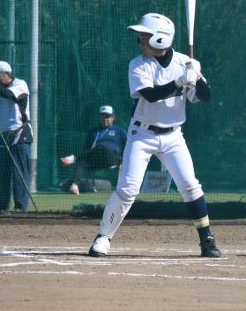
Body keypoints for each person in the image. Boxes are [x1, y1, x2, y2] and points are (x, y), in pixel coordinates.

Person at [88, 13, 221, 258]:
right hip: (141, 134)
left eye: (145, 36)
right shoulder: (138, 64)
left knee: (190, 186)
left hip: (173, 136)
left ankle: (207, 239)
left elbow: (206, 96)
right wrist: (180, 81)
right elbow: (150, 95)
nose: (140, 41)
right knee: (128, 189)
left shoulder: (184, 62)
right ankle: (103, 238)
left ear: (161, 39)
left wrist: (197, 76)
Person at [0, 61, 32, 214]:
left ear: (7, 75)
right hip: (3, 135)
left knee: (19, 172)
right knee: (3, 172)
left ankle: (20, 206)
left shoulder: (20, 84)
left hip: (19, 133)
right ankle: (2, 206)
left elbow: (9, 95)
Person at [60, 105, 127, 192]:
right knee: (83, 161)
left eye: (107, 116)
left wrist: (124, 157)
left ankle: (75, 157)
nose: (105, 119)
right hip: (95, 160)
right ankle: (74, 186)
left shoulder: (119, 130)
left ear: (113, 117)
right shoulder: (93, 131)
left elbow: (129, 143)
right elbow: (86, 148)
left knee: (102, 146)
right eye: (102, 116)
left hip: (111, 158)